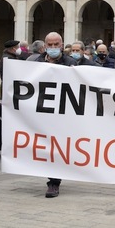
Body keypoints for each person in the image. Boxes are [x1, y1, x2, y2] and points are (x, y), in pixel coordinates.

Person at [36, 32, 77, 198]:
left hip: (63, 111)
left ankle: (54, 182)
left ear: (61, 45)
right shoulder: (34, 63)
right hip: (42, 110)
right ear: (45, 46)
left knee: (57, 145)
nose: (53, 48)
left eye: (56, 44)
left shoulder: (71, 63)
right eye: (50, 45)